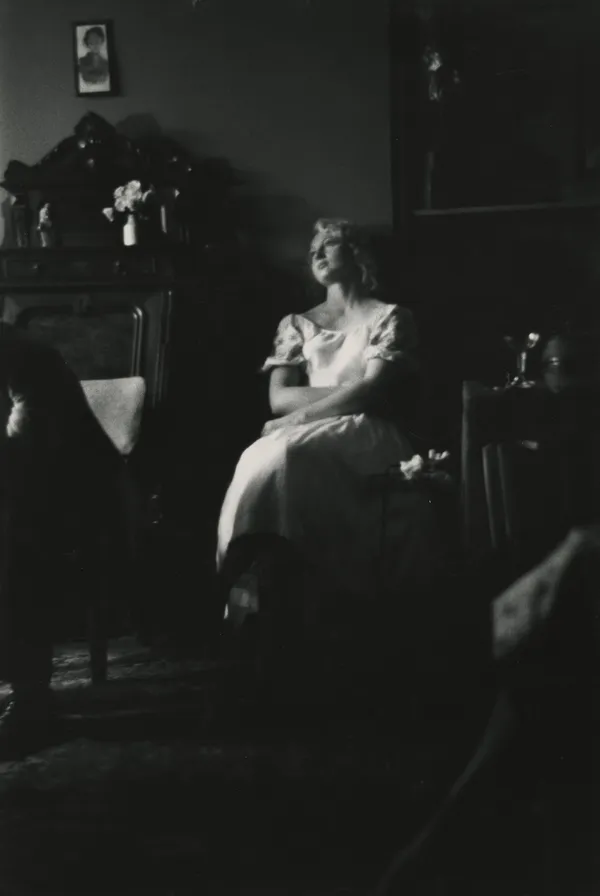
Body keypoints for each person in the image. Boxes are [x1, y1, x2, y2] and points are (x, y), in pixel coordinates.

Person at [216, 219, 449, 663]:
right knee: (265, 456)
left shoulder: (391, 317)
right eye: (312, 250)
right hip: (306, 430)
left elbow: (372, 393)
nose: (317, 255)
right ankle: (252, 585)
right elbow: (277, 398)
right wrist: (353, 390)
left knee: (288, 449)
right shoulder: (297, 324)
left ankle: (306, 595)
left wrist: (312, 410)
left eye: (328, 245)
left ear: (359, 253)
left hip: (365, 431)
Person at [0, 323, 126, 757]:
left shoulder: (27, 359)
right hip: (22, 497)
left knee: (11, 541)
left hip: (68, 504)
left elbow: (24, 460)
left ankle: (32, 702)